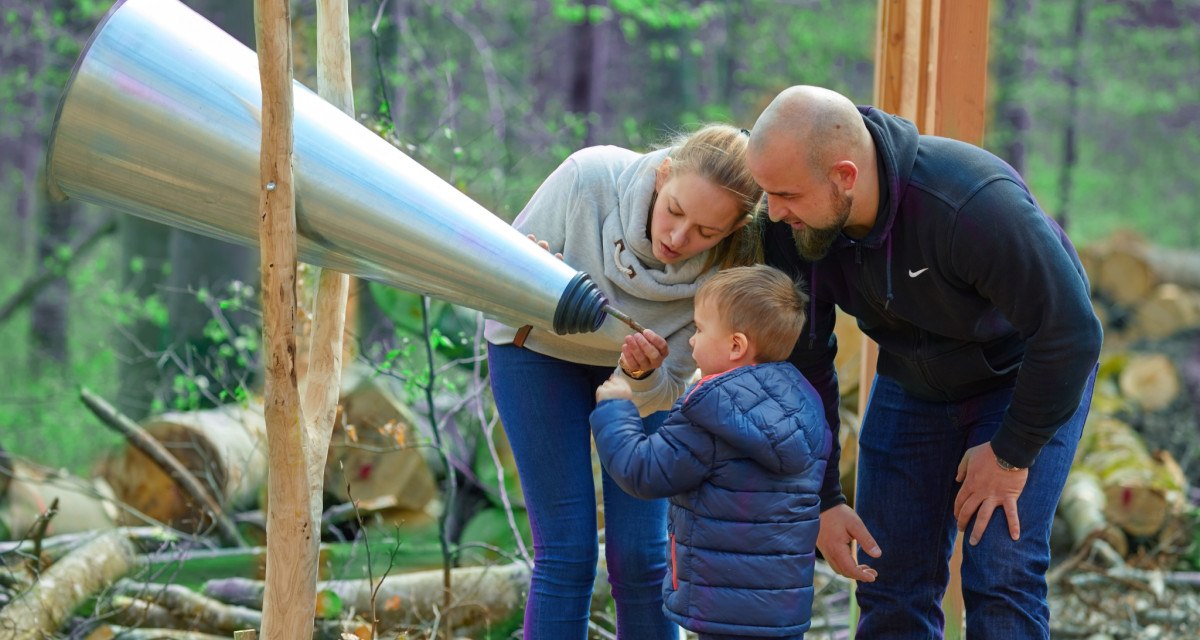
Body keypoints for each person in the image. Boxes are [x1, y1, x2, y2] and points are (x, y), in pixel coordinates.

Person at [745, 85, 1103, 638]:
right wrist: (823, 497)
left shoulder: (968, 203)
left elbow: (1072, 333)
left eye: (786, 194)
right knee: (887, 577)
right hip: (914, 382)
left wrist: (1010, 456)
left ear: (845, 176)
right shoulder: (790, 226)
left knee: (1000, 573)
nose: (773, 211)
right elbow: (805, 360)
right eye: (767, 193)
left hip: (1022, 375)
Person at [484, 124, 764, 639]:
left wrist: (644, 374)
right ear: (663, 175)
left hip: (639, 380)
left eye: (706, 232)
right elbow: (492, 282)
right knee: (567, 551)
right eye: (675, 210)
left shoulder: (735, 263)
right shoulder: (589, 179)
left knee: (642, 557)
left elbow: (673, 386)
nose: (678, 239)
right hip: (537, 353)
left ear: (734, 230)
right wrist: (525, 276)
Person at [589, 264, 834, 640]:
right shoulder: (802, 401)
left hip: (723, 606)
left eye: (700, 330)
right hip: (780, 608)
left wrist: (615, 409)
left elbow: (643, 470)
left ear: (736, 345)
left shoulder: (712, 409)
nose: (691, 341)